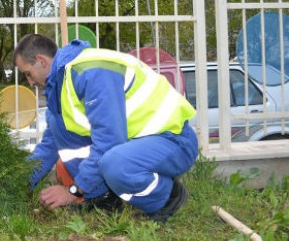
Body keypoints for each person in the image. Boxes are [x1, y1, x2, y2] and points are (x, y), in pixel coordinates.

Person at [13, 34, 199, 222]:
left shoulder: (91, 72)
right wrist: (17, 184)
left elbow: (109, 141)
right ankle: (103, 197)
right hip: (139, 146)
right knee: (59, 128)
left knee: (115, 164)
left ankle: (166, 196)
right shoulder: (60, 89)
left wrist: (73, 192)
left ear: (41, 61)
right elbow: (47, 149)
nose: (30, 82)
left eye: (28, 73)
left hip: (174, 140)